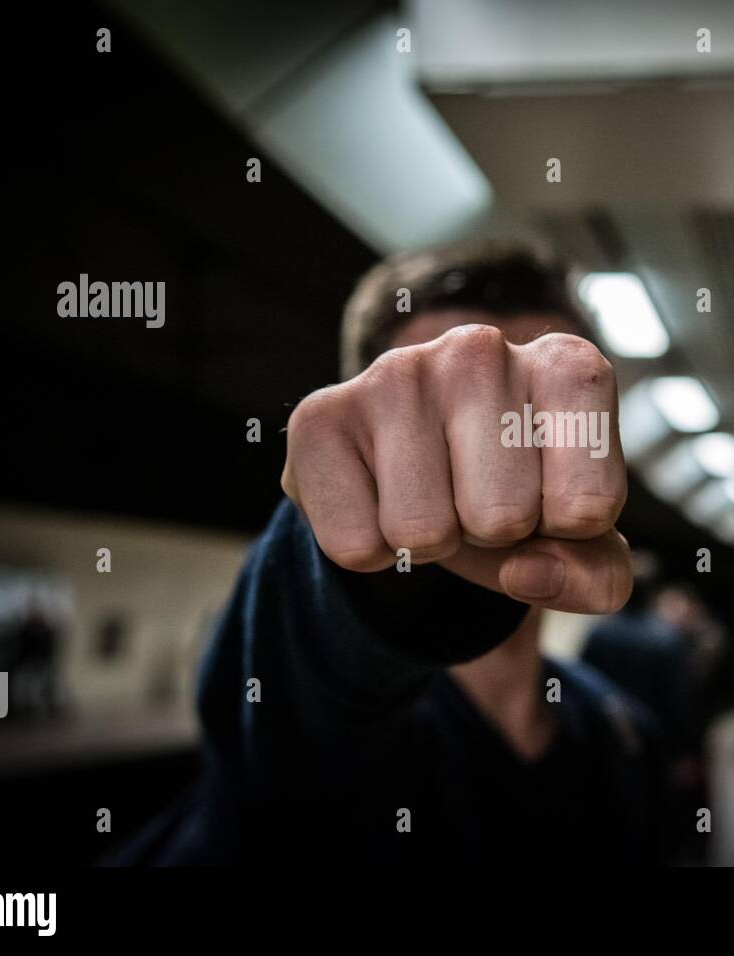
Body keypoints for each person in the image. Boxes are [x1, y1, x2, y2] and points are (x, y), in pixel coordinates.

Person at [108, 240, 666, 865]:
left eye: (535, 413)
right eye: (439, 414)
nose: (493, 452)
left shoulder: (622, 735)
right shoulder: (331, 748)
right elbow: (289, 700)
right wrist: (380, 579)